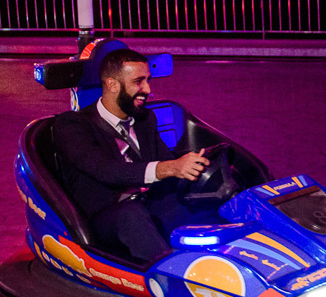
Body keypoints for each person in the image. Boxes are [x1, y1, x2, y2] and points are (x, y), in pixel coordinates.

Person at [54, 48, 210, 262]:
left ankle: (223, 263)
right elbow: (106, 170)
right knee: (131, 214)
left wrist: (195, 170)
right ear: (112, 84)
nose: (147, 89)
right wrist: (170, 168)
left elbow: (166, 161)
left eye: (148, 80)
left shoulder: (145, 119)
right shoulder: (73, 125)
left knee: (197, 202)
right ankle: (170, 277)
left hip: (146, 206)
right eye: (139, 81)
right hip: (105, 219)